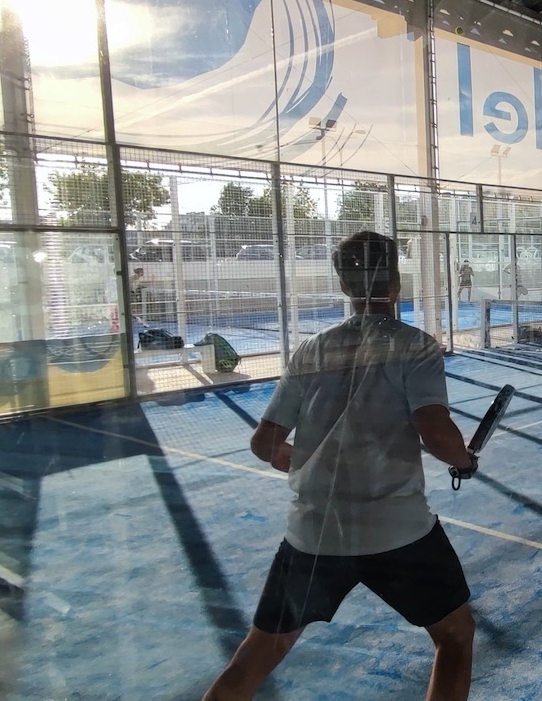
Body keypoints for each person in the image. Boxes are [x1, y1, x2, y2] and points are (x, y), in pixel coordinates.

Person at [204, 232, 479, 701]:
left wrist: (291, 458)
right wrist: (464, 460)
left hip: (313, 533)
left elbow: (264, 442)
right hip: (397, 532)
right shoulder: (415, 346)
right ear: (396, 281)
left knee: (257, 654)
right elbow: (436, 432)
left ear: (343, 285)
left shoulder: (313, 349)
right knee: (454, 636)